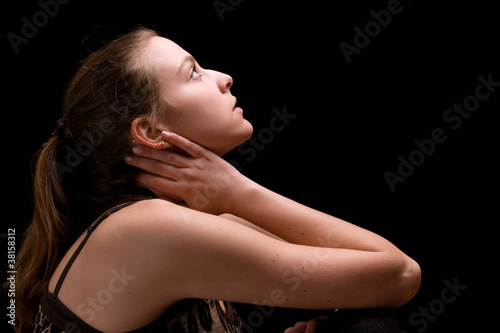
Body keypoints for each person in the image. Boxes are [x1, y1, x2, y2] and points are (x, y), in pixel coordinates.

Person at [15, 27, 421, 333]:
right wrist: (240, 192)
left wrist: (233, 196)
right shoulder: (150, 227)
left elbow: (374, 270)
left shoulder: (169, 218)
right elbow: (400, 276)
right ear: (151, 132)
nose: (223, 76)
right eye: (192, 73)